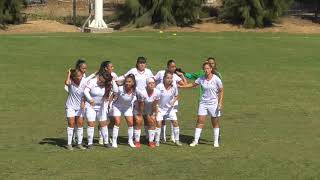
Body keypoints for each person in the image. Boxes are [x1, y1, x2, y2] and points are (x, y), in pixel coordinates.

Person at [180, 62, 224, 148]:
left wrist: (220, 102)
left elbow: (221, 90)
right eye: (205, 69)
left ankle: (215, 142)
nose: (206, 70)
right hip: (203, 103)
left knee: (215, 122)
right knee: (200, 121)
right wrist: (181, 87)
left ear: (211, 69)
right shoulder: (201, 78)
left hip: (213, 103)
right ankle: (195, 141)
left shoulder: (216, 79)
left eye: (208, 68)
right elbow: (192, 84)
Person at [117, 57, 154, 143]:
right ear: (137, 63)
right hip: (135, 97)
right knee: (136, 117)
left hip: (146, 97)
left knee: (147, 116)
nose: (142, 64)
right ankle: (134, 136)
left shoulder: (148, 72)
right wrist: (116, 80)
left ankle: (148, 136)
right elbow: (125, 77)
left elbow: (153, 81)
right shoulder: (133, 71)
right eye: (140, 63)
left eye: (143, 63)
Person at [154, 59, 187, 143]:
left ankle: (174, 138)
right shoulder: (161, 73)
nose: (174, 68)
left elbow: (184, 85)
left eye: (175, 66)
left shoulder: (175, 77)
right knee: (162, 121)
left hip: (171, 102)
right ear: (168, 67)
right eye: (172, 66)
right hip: (161, 102)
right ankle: (162, 137)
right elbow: (153, 80)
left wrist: (182, 75)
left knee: (174, 120)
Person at [84, 72, 116, 149]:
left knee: (103, 124)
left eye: (102, 82)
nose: (100, 82)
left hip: (101, 107)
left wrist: (105, 107)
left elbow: (114, 92)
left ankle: (106, 143)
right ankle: (90, 143)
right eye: (99, 80)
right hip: (90, 106)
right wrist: (90, 99)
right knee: (91, 123)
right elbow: (85, 91)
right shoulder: (92, 81)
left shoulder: (108, 86)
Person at [155, 71, 182, 146]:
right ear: (164, 78)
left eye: (171, 78)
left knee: (175, 122)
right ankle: (157, 141)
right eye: (168, 78)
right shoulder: (159, 87)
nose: (169, 79)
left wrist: (173, 101)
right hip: (160, 109)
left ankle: (177, 140)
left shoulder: (174, 87)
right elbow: (155, 98)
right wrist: (156, 108)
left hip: (170, 109)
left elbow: (177, 95)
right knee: (159, 123)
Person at [112, 74, 137, 148]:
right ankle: (114, 141)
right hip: (117, 107)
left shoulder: (135, 90)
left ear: (133, 83)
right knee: (117, 122)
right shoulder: (120, 89)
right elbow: (113, 96)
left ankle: (130, 141)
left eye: (129, 82)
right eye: (126, 81)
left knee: (131, 123)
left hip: (127, 108)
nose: (127, 83)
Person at [64, 69, 87, 150]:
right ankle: (69, 144)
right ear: (74, 77)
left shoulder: (84, 82)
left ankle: (79, 143)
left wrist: (83, 102)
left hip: (80, 107)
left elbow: (86, 93)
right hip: (70, 106)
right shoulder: (71, 82)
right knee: (71, 124)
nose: (80, 78)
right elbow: (66, 83)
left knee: (80, 124)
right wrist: (69, 74)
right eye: (78, 76)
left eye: (81, 76)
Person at [96, 60, 118, 145]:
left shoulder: (114, 75)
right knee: (103, 120)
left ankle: (108, 136)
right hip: (103, 101)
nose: (113, 68)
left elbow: (115, 88)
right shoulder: (99, 76)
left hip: (111, 100)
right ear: (106, 68)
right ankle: (101, 137)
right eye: (111, 67)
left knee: (112, 119)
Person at [136, 77, 160, 148]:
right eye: (150, 83)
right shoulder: (142, 93)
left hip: (150, 108)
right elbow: (141, 105)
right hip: (140, 108)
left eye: (153, 83)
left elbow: (155, 104)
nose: (152, 85)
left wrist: (153, 114)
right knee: (139, 121)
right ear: (146, 85)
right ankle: (137, 141)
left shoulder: (157, 92)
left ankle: (151, 141)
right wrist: (141, 114)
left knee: (151, 121)